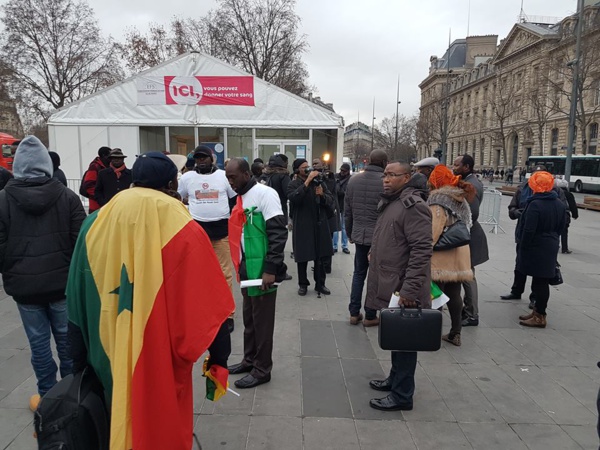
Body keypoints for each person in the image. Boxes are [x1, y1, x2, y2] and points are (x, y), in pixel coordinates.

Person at [67, 152, 233, 450]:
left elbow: (75, 311)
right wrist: (219, 361)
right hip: (160, 366)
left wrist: (77, 369)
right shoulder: (186, 230)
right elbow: (212, 311)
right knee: (159, 431)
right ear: (172, 184)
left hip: (104, 362)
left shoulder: (92, 226)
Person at [0, 136, 86, 411]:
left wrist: (12, 270)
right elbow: (81, 244)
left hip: (25, 289)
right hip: (62, 286)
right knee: (67, 344)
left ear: (18, 166)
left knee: (38, 347)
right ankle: (71, 399)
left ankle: (47, 403)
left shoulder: (2, 200)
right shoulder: (68, 197)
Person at [366, 162, 432, 411]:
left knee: (405, 342)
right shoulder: (393, 201)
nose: (385, 179)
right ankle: (394, 380)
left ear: (406, 177)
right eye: (385, 174)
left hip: (403, 287)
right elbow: (389, 235)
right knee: (397, 335)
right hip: (389, 281)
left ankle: (403, 395)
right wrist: (375, 250)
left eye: (391, 175)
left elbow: (422, 250)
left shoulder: (413, 206)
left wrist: (410, 290)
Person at [225, 158, 288, 389]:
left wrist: (271, 268)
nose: (230, 182)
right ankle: (249, 360)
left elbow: (278, 231)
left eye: (233, 177)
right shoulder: (241, 195)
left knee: (262, 322)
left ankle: (262, 369)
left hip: (263, 269)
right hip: (247, 268)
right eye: (227, 178)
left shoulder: (265, 193)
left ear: (245, 173)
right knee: (250, 319)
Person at [178, 145, 237, 328]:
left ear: (212, 158)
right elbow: (177, 198)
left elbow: (234, 199)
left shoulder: (222, 176)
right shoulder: (187, 178)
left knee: (225, 274)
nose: (201, 160)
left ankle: (228, 314)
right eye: (198, 158)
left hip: (221, 232)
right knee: (199, 274)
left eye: (204, 157)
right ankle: (204, 311)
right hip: (198, 233)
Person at [428, 165, 475, 347]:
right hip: (460, 253)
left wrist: (425, 249)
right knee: (454, 294)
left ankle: (432, 333)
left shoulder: (438, 200)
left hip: (442, 254)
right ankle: (456, 333)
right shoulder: (459, 198)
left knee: (436, 294)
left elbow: (434, 230)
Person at [516, 170, 565, 328]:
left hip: (536, 246)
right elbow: (562, 226)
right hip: (550, 244)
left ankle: (540, 316)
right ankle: (537, 311)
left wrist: (524, 246)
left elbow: (529, 229)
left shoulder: (535, 203)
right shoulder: (558, 203)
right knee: (540, 280)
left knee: (540, 283)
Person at [345, 149, 388, 326]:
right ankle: (370, 314)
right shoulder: (385, 182)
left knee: (358, 273)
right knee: (375, 275)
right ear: (384, 163)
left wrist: (349, 233)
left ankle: (354, 313)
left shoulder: (353, 180)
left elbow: (347, 212)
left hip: (360, 234)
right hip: (378, 237)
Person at [287, 158, 335, 296]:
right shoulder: (293, 184)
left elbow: (330, 200)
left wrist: (323, 195)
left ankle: (320, 283)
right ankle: (303, 284)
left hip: (319, 222)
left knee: (319, 256)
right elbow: (294, 198)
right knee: (302, 256)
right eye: (304, 167)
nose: (307, 169)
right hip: (302, 223)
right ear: (297, 170)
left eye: (308, 167)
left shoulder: (319, 182)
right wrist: (307, 182)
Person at [453, 155, 489, 327]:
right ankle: (467, 310)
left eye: (457, 165)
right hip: (467, 234)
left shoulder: (472, 185)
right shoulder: (469, 180)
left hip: (468, 235)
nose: (454, 167)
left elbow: (472, 214)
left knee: (467, 275)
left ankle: (472, 314)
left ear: (466, 167)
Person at [314, 157, 339, 274]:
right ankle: (320, 264)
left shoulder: (329, 177)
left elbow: (332, 192)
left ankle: (326, 266)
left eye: (317, 164)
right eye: (313, 164)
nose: (314, 166)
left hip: (329, 212)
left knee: (327, 240)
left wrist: (325, 178)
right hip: (319, 214)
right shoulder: (313, 176)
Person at [260, 154, 290, 220]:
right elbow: (288, 193)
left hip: (264, 210)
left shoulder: (263, 176)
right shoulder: (283, 176)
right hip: (279, 210)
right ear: (282, 164)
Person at [81, 146, 111, 213]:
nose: (111, 159)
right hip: (96, 207)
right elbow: (88, 185)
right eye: (109, 156)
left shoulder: (105, 166)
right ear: (103, 155)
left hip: (104, 205)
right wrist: (100, 197)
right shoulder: (94, 167)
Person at [555, 178, 578, 254]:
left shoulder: (554, 192)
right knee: (564, 231)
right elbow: (572, 205)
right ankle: (564, 248)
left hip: (555, 214)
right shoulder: (569, 194)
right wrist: (575, 214)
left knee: (555, 231)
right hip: (565, 214)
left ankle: (555, 246)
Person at [333, 163, 351, 254]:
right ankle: (334, 245)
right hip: (336, 204)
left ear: (348, 171)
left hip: (345, 205)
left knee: (344, 227)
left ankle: (344, 246)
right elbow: (335, 190)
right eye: (341, 170)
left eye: (344, 171)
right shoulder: (336, 177)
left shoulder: (350, 179)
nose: (342, 172)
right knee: (336, 227)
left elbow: (345, 192)